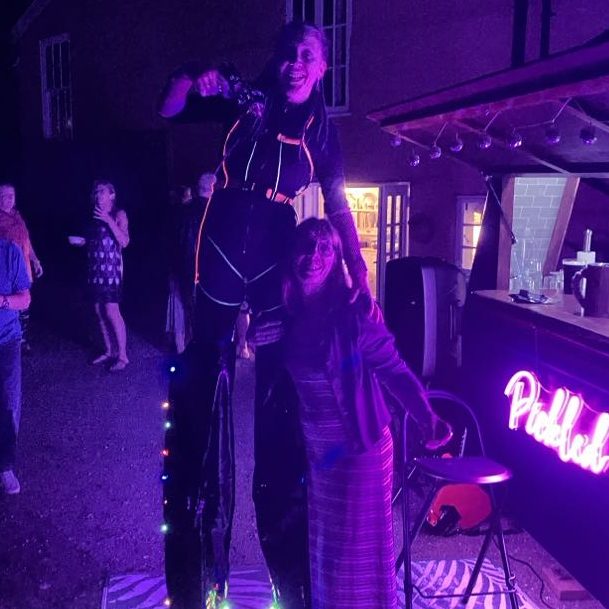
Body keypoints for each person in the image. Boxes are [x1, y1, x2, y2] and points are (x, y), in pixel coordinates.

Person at [158, 21, 369, 609]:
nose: (296, 62)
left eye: (308, 55)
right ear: (277, 60)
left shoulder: (322, 131)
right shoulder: (246, 97)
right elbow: (170, 108)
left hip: (277, 249)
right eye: (288, 53)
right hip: (223, 237)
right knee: (204, 383)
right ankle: (200, 576)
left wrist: (358, 268)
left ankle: (291, 581)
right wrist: (189, 77)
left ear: (322, 67)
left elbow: (338, 203)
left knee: (278, 398)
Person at [282, 218, 450, 609]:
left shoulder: (353, 316)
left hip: (360, 449)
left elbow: (394, 369)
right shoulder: (290, 314)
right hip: (321, 453)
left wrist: (426, 416)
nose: (313, 256)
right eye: (307, 246)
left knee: (353, 555)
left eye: (325, 248)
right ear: (292, 253)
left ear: (336, 260)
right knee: (327, 550)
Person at [69, 180, 130, 371]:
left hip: (111, 270)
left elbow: (124, 241)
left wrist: (108, 219)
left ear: (112, 195)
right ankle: (109, 350)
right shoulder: (93, 215)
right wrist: (83, 242)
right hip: (95, 269)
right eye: (96, 192)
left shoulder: (118, 214)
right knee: (97, 310)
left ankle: (123, 356)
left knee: (111, 310)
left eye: (102, 191)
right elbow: (97, 240)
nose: (97, 195)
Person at [0, 239, 32, 495]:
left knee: (9, 403)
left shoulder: (10, 252)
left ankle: (5, 467)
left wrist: (2, 301)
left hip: (7, 339)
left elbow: (25, 299)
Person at [0, 183, 44, 351]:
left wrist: (35, 260)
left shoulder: (17, 215)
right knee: (11, 305)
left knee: (25, 304)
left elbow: (26, 239)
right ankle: (11, 340)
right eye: (4, 195)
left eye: (12, 195)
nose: (9, 198)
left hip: (24, 268)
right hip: (7, 272)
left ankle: (22, 339)